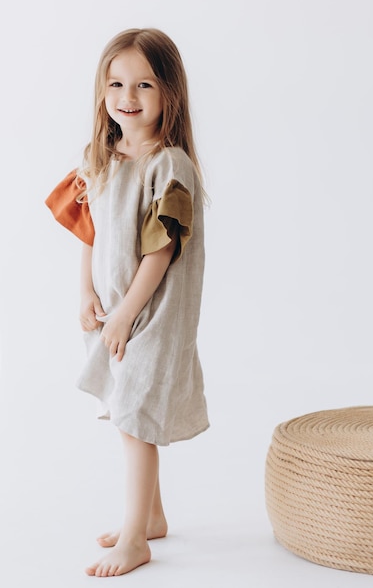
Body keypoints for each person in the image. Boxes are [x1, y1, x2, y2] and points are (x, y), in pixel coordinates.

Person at [45, 28, 209, 577]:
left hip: (151, 314)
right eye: (116, 83)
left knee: (136, 419)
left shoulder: (171, 165)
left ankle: (136, 536)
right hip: (115, 310)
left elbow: (161, 253)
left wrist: (127, 312)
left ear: (170, 94)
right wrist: (88, 294)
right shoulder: (101, 157)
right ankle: (154, 516)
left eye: (143, 84)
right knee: (125, 410)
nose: (127, 96)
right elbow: (87, 231)